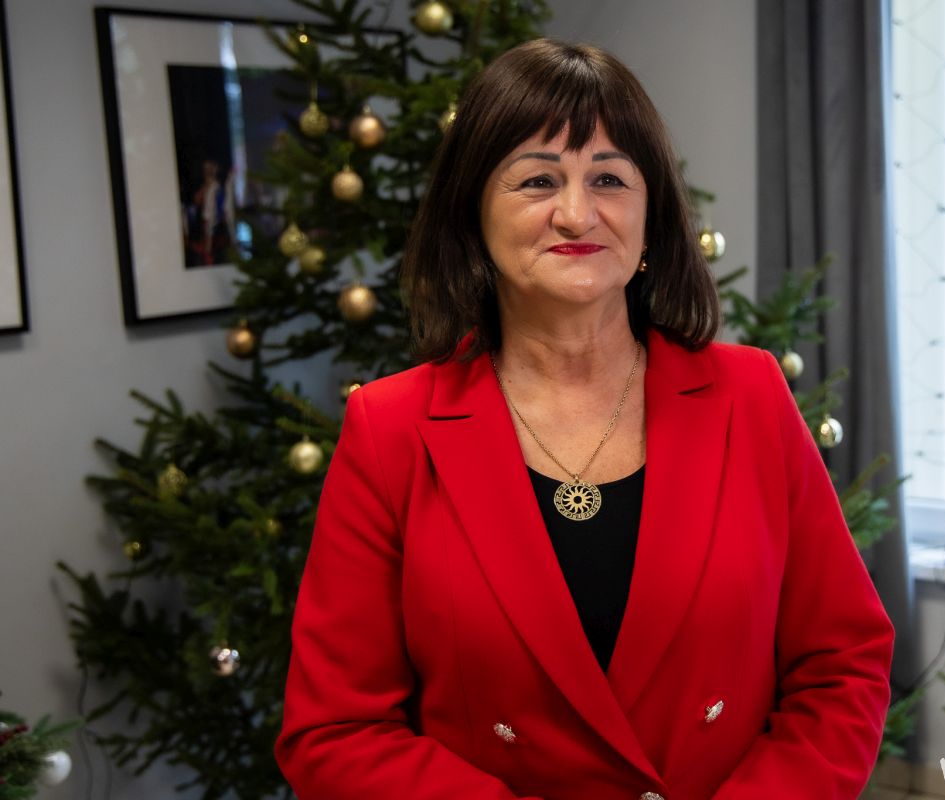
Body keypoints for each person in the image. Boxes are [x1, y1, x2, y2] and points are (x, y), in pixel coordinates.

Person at [276, 38, 894, 800]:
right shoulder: (390, 429)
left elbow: (843, 666)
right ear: (472, 213)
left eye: (609, 178)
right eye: (538, 179)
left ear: (649, 215)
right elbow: (335, 731)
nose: (577, 213)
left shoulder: (751, 395)